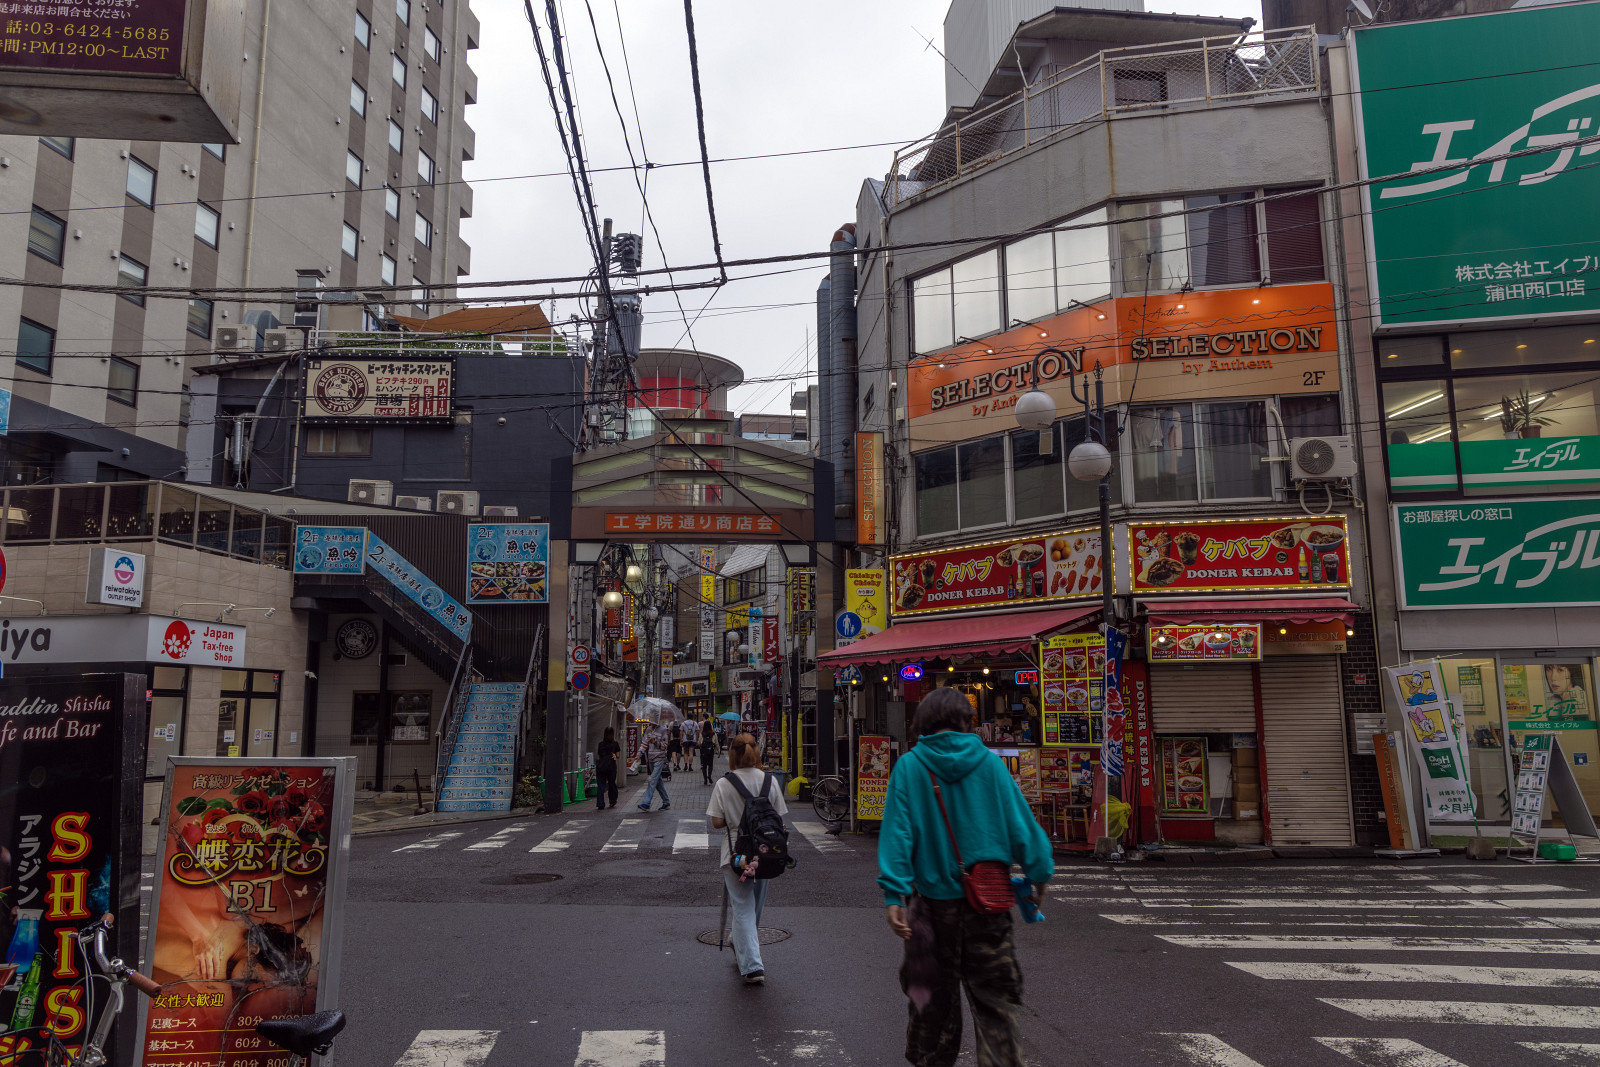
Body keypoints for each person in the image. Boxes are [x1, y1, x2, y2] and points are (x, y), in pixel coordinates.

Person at [878, 687, 1053, 1067]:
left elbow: (897, 834)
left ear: (923, 722)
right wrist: (1039, 874)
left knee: (932, 1010)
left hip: (930, 909)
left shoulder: (909, 767)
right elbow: (1022, 827)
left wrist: (894, 895)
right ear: (966, 721)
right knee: (996, 1007)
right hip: (988, 905)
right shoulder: (990, 765)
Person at [707, 733, 787, 986]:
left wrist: (734, 817)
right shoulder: (769, 781)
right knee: (754, 907)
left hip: (736, 855)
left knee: (742, 907)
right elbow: (779, 816)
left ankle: (753, 966)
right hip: (765, 852)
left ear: (733, 754)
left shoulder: (724, 783)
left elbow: (716, 822)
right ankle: (739, 941)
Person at [638, 717, 672, 812]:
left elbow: (665, 745)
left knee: (652, 780)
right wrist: (638, 754)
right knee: (658, 782)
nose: (651, 721)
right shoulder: (648, 730)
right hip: (651, 759)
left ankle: (646, 803)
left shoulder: (663, 730)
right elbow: (644, 743)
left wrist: (655, 742)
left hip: (659, 758)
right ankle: (666, 802)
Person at [594, 727, 621, 810]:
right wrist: (613, 755)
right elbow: (618, 756)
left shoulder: (601, 744)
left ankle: (600, 803)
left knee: (601, 785)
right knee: (611, 784)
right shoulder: (615, 744)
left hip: (601, 767)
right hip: (611, 767)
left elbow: (599, 755)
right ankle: (612, 801)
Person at [699, 719, 717, 784]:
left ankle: (705, 779)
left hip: (703, 751)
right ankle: (709, 775)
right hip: (711, 751)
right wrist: (718, 751)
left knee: (704, 765)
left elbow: (699, 743)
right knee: (710, 764)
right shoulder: (713, 734)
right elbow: (716, 743)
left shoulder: (702, 734)